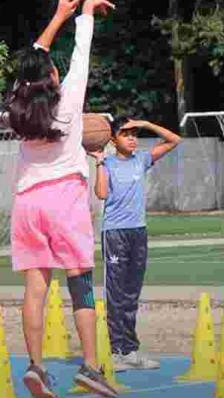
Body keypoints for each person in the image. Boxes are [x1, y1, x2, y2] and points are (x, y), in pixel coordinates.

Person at [0, 0, 116, 398]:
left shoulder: (19, 106)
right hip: (65, 200)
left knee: (35, 289)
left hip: (28, 204)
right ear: (52, 75)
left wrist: (59, 15)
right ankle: (90, 368)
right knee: (80, 284)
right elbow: (82, 51)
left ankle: (35, 367)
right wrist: (83, 14)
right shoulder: (68, 100)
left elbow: (30, 63)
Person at [90, 117, 181, 371]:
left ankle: (130, 350)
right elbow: (101, 194)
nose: (132, 138)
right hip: (115, 234)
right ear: (113, 140)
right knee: (116, 295)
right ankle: (115, 351)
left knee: (131, 295)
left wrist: (147, 123)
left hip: (138, 233)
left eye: (134, 133)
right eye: (125, 134)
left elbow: (175, 140)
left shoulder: (141, 159)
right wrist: (98, 163)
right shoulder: (106, 163)